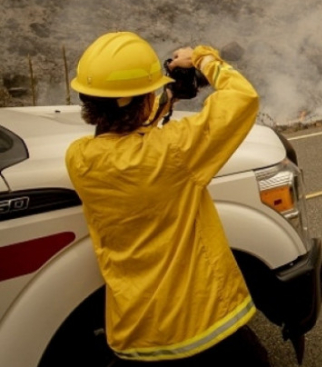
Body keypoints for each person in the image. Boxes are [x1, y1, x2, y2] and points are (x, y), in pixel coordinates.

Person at [65, 31, 268, 365]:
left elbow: (126, 138)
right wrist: (201, 57)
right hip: (202, 328)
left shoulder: (79, 159)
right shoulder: (175, 152)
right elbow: (242, 97)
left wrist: (169, 97)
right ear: (144, 100)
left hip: (136, 336)